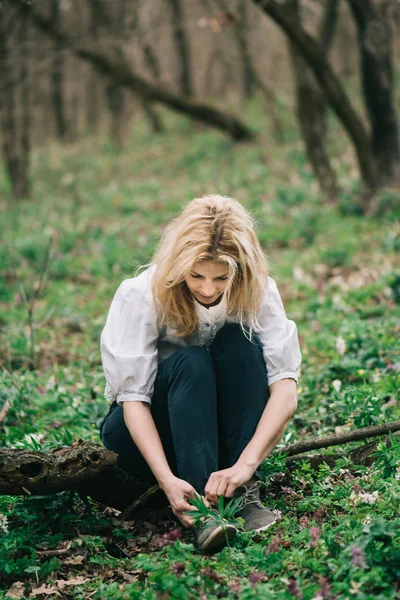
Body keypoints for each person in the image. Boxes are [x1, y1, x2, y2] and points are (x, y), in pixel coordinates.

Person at [99, 194, 301, 552]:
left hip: (216, 433)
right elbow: (133, 403)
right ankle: (201, 511)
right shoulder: (141, 295)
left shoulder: (258, 290)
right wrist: (165, 480)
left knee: (240, 343)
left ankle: (240, 493)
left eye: (221, 277)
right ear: (180, 265)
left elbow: (285, 389)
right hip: (145, 434)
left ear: (239, 269)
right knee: (190, 361)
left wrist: (245, 466)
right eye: (196, 275)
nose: (208, 289)